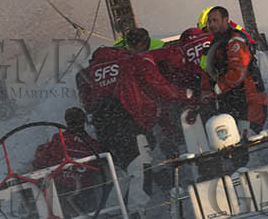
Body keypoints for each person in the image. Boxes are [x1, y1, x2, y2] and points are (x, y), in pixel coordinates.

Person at [76, 29, 188, 169]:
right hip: (128, 120)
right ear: (144, 44)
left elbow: (86, 100)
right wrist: (185, 94)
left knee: (123, 167)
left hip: (102, 124)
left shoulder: (93, 68)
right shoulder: (133, 61)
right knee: (141, 162)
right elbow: (160, 86)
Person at [199, 4, 268, 129]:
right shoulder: (216, 43)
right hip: (232, 101)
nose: (211, 24)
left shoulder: (235, 39)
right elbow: (208, 70)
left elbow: (238, 72)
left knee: (248, 136)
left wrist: (218, 88)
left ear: (226, 20)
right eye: (209, 21)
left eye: (215, 20)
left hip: (249, 99)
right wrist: (205, 91)